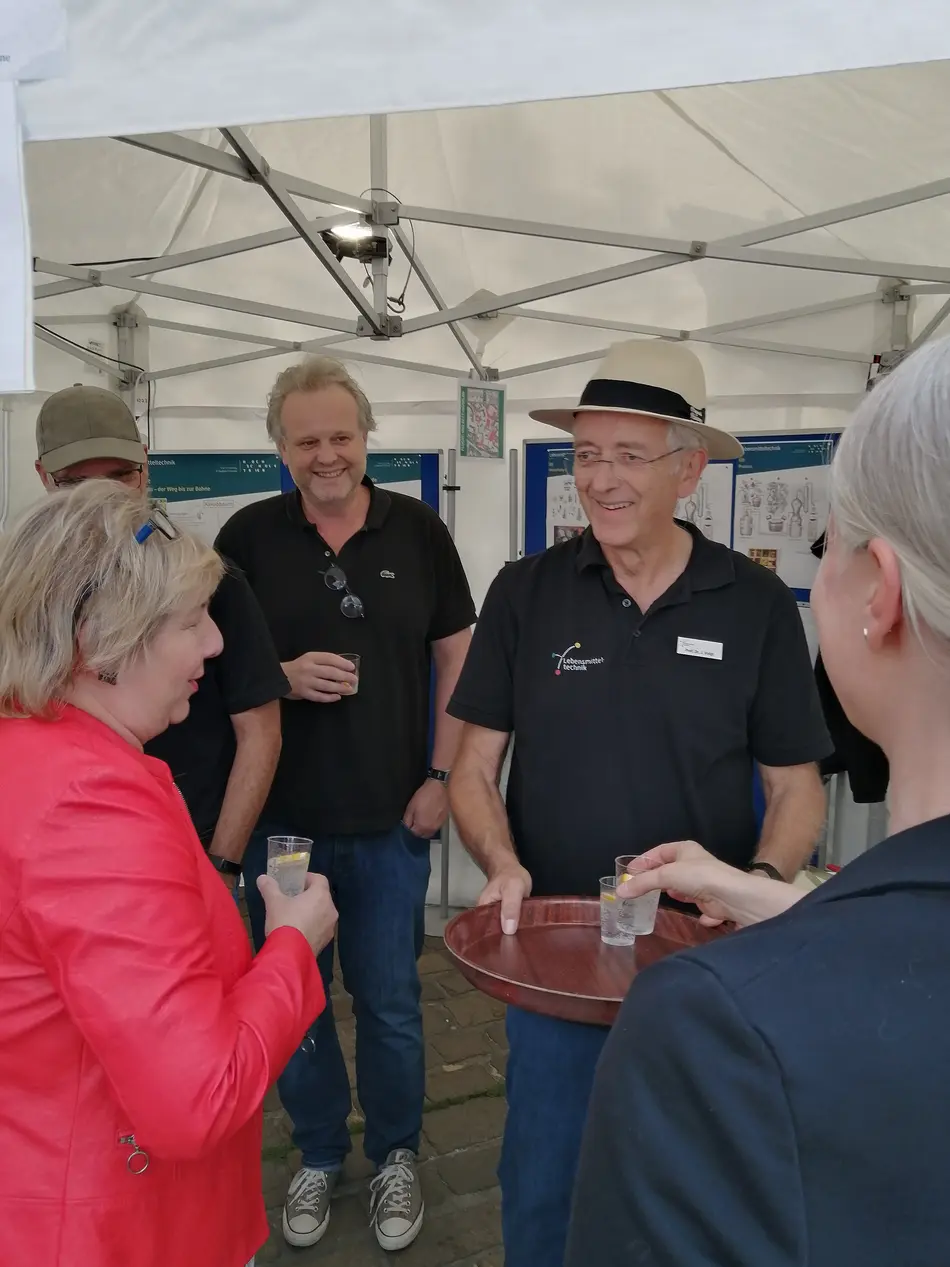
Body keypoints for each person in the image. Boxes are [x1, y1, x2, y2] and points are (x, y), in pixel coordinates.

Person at [447, 339, 832, 1267]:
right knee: (545, 1186)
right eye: (587, 454)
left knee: (690, 1194)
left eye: (628, 455)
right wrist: (502, 863)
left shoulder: (754, 603)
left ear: (687, 469)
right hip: (556, 956)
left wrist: (756, 883)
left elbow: (796, 788)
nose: (601, 479)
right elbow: (472, 769)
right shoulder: (525, 591)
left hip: (702, 963)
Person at [567, 335, 950, 1267]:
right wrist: (776, 903)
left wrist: (771, 911)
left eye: (832, 544)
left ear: (880, 590)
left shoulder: (715, 1027)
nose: (603, 478)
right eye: (587, 453)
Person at [0, 481, 338, 1267]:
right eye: (190, 622)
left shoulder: (35, 752)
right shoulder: (90, 804)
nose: (215, 645)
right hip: (117, 1229)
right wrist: (291, 947)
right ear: (99, 641)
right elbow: (197, 1098)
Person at [215, 356, 475, 1252]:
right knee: (295, 1002)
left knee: (391, 999)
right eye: (306, 441)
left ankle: (397, 1152)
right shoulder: (247, 537)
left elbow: (458, 655)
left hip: (390, 822)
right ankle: (320, 1152)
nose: (326, 454)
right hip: (281, 827)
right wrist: (278, 675)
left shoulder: (419, 531)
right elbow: (204, 655)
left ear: (366, 437)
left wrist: (441, 777)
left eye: (341, 436)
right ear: (279, 448)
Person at [35, 384, 289, 882]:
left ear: (145, 465)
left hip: (185, 847)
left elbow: (260, 731)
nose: (104, 496)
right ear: (44, 477)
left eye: (119, 475)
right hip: (56, 855)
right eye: (77, 482)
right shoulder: (28, 589)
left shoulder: (209, 577)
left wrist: (221, 865)